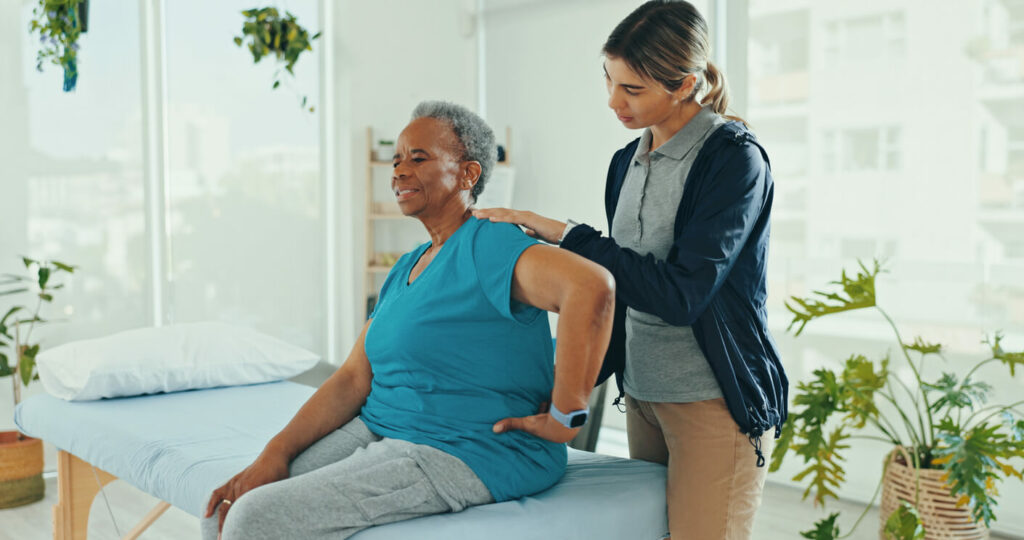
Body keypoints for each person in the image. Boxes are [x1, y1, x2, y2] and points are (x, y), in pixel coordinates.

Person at [201, 101, 615, 540]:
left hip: (466, 449)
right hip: (382, 426)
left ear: (469, 174)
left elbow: (591, 288)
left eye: (419, 158)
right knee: (224, 509)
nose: (399, 171)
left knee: (251, 520)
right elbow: (353, 377)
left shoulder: (488, 242)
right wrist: (275, 452)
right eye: (396, 159)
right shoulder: (406, 267)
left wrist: (566, 415)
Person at [472, 2, 788, 539]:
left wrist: (568, 234)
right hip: (644, 396)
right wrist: (561, 396)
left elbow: (682, 294)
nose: (614, 102)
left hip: (712, 405)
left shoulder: (734, 160)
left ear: (686, 84)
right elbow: (621, 288)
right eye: (610, 81)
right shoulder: (627, 160)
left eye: (633, 90)